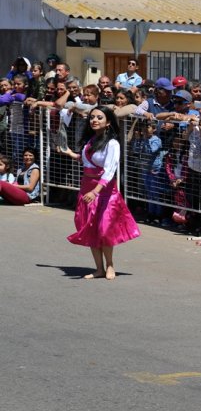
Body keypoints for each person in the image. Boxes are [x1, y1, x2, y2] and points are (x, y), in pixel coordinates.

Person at [58, 106, 141, 280]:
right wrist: (70, 154)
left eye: (99, 117)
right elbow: (87, 160)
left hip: (104, 192)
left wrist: (95, 192)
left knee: (104, 230)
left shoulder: (112, 143)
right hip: (86, 188)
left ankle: (110, 265)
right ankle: (99, 268)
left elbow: (110, 170)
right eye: (92, 117)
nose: (94, 120)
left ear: (108, 122)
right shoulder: (91, 140)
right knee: (90, 230)